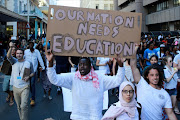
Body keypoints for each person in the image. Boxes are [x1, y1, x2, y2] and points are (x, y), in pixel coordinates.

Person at [46, 51, 125, 120]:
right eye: (80, 65)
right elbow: (54, 79)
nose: (82, 67)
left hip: (95, 118)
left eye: (84, 64)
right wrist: (50, 63)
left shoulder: (100, 79)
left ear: (90, 67)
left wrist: (121, 65)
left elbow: (118, 81)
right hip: (76, 117)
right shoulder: (73, 77)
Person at [130, 44, 177, 120]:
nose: (155, 77)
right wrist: (135, 48)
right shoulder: (141, 84)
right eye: (152, 75)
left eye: (157, 75)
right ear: (147, 76)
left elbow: (170, 114)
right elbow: (133, 66)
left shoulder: (164, 94)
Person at [7, 42, 34, 120]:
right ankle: (21, 118)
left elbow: (33, 73)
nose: (18, 55)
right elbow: (8, 56)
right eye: (17, 53)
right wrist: (11, 47)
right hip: (15, 87)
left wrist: (28, 76)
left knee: (23, 106)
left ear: (23, 55)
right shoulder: (14, 61)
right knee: (18, 106)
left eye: (20, 53)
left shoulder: (28, 63)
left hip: (25, 87)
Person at [24, 41, 45, 106]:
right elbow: (23, 59)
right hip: (26, 70)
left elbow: (40, 59)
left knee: (32, 84)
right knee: (27, 84)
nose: (30, 46)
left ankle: (33, 98)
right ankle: (27, 97)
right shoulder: (26, 52)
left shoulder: (37, 52)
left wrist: (43, 67)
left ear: (33, 46)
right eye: (29, 45)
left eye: (31, 45)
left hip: (33, 70)